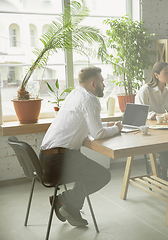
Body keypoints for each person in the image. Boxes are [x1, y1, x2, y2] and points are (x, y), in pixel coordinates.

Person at [40, 66, 123, 227]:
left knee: (86, 172)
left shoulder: (76, 94)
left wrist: (107, 125)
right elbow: (97, 134)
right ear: (93, 83)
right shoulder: (90, 100)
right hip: (59, 159)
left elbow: (88, 124)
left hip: (48, 157)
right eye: (102, 81)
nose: (104, 85)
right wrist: (117, 128)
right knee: (103, 176)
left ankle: (71, 208)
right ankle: (62, 200)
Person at [135, 61, 168, 180]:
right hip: (149, 130)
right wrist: (158, 115)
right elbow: (140, 112)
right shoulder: (145, 90)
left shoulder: (167, 89)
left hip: (165, 129)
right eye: (166, 73)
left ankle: (161, 167)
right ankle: (160, 168)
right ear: (156, 75)